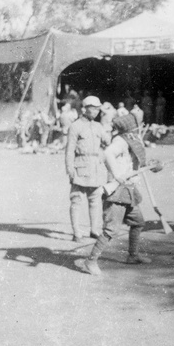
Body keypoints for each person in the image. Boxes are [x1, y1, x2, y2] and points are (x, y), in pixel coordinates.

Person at [78, 113, 160, 275]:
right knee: (111, 230)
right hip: (117, 191)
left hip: (129, 191)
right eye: (139, 123)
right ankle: (91, 261)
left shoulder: (133, 139)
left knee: (137, 222)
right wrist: (117, 174)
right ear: (131, 126)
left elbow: (137, 163)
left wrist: (154, 165)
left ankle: (133, 256)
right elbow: (107, 153)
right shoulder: (121, 140)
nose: (141, 126)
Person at [65, 96, 111, 243]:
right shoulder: (75, 126)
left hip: (95, 167)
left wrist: (109, 129)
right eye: (94, 108)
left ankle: (94, 230)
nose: (97, 111)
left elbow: (107, 142)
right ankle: (77, 232)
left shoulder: (98, 126)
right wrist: (70, 169)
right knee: (76, 200)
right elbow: (70, 150)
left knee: (95, 200)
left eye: (98, 109)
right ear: (85, 109)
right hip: (80, 166)